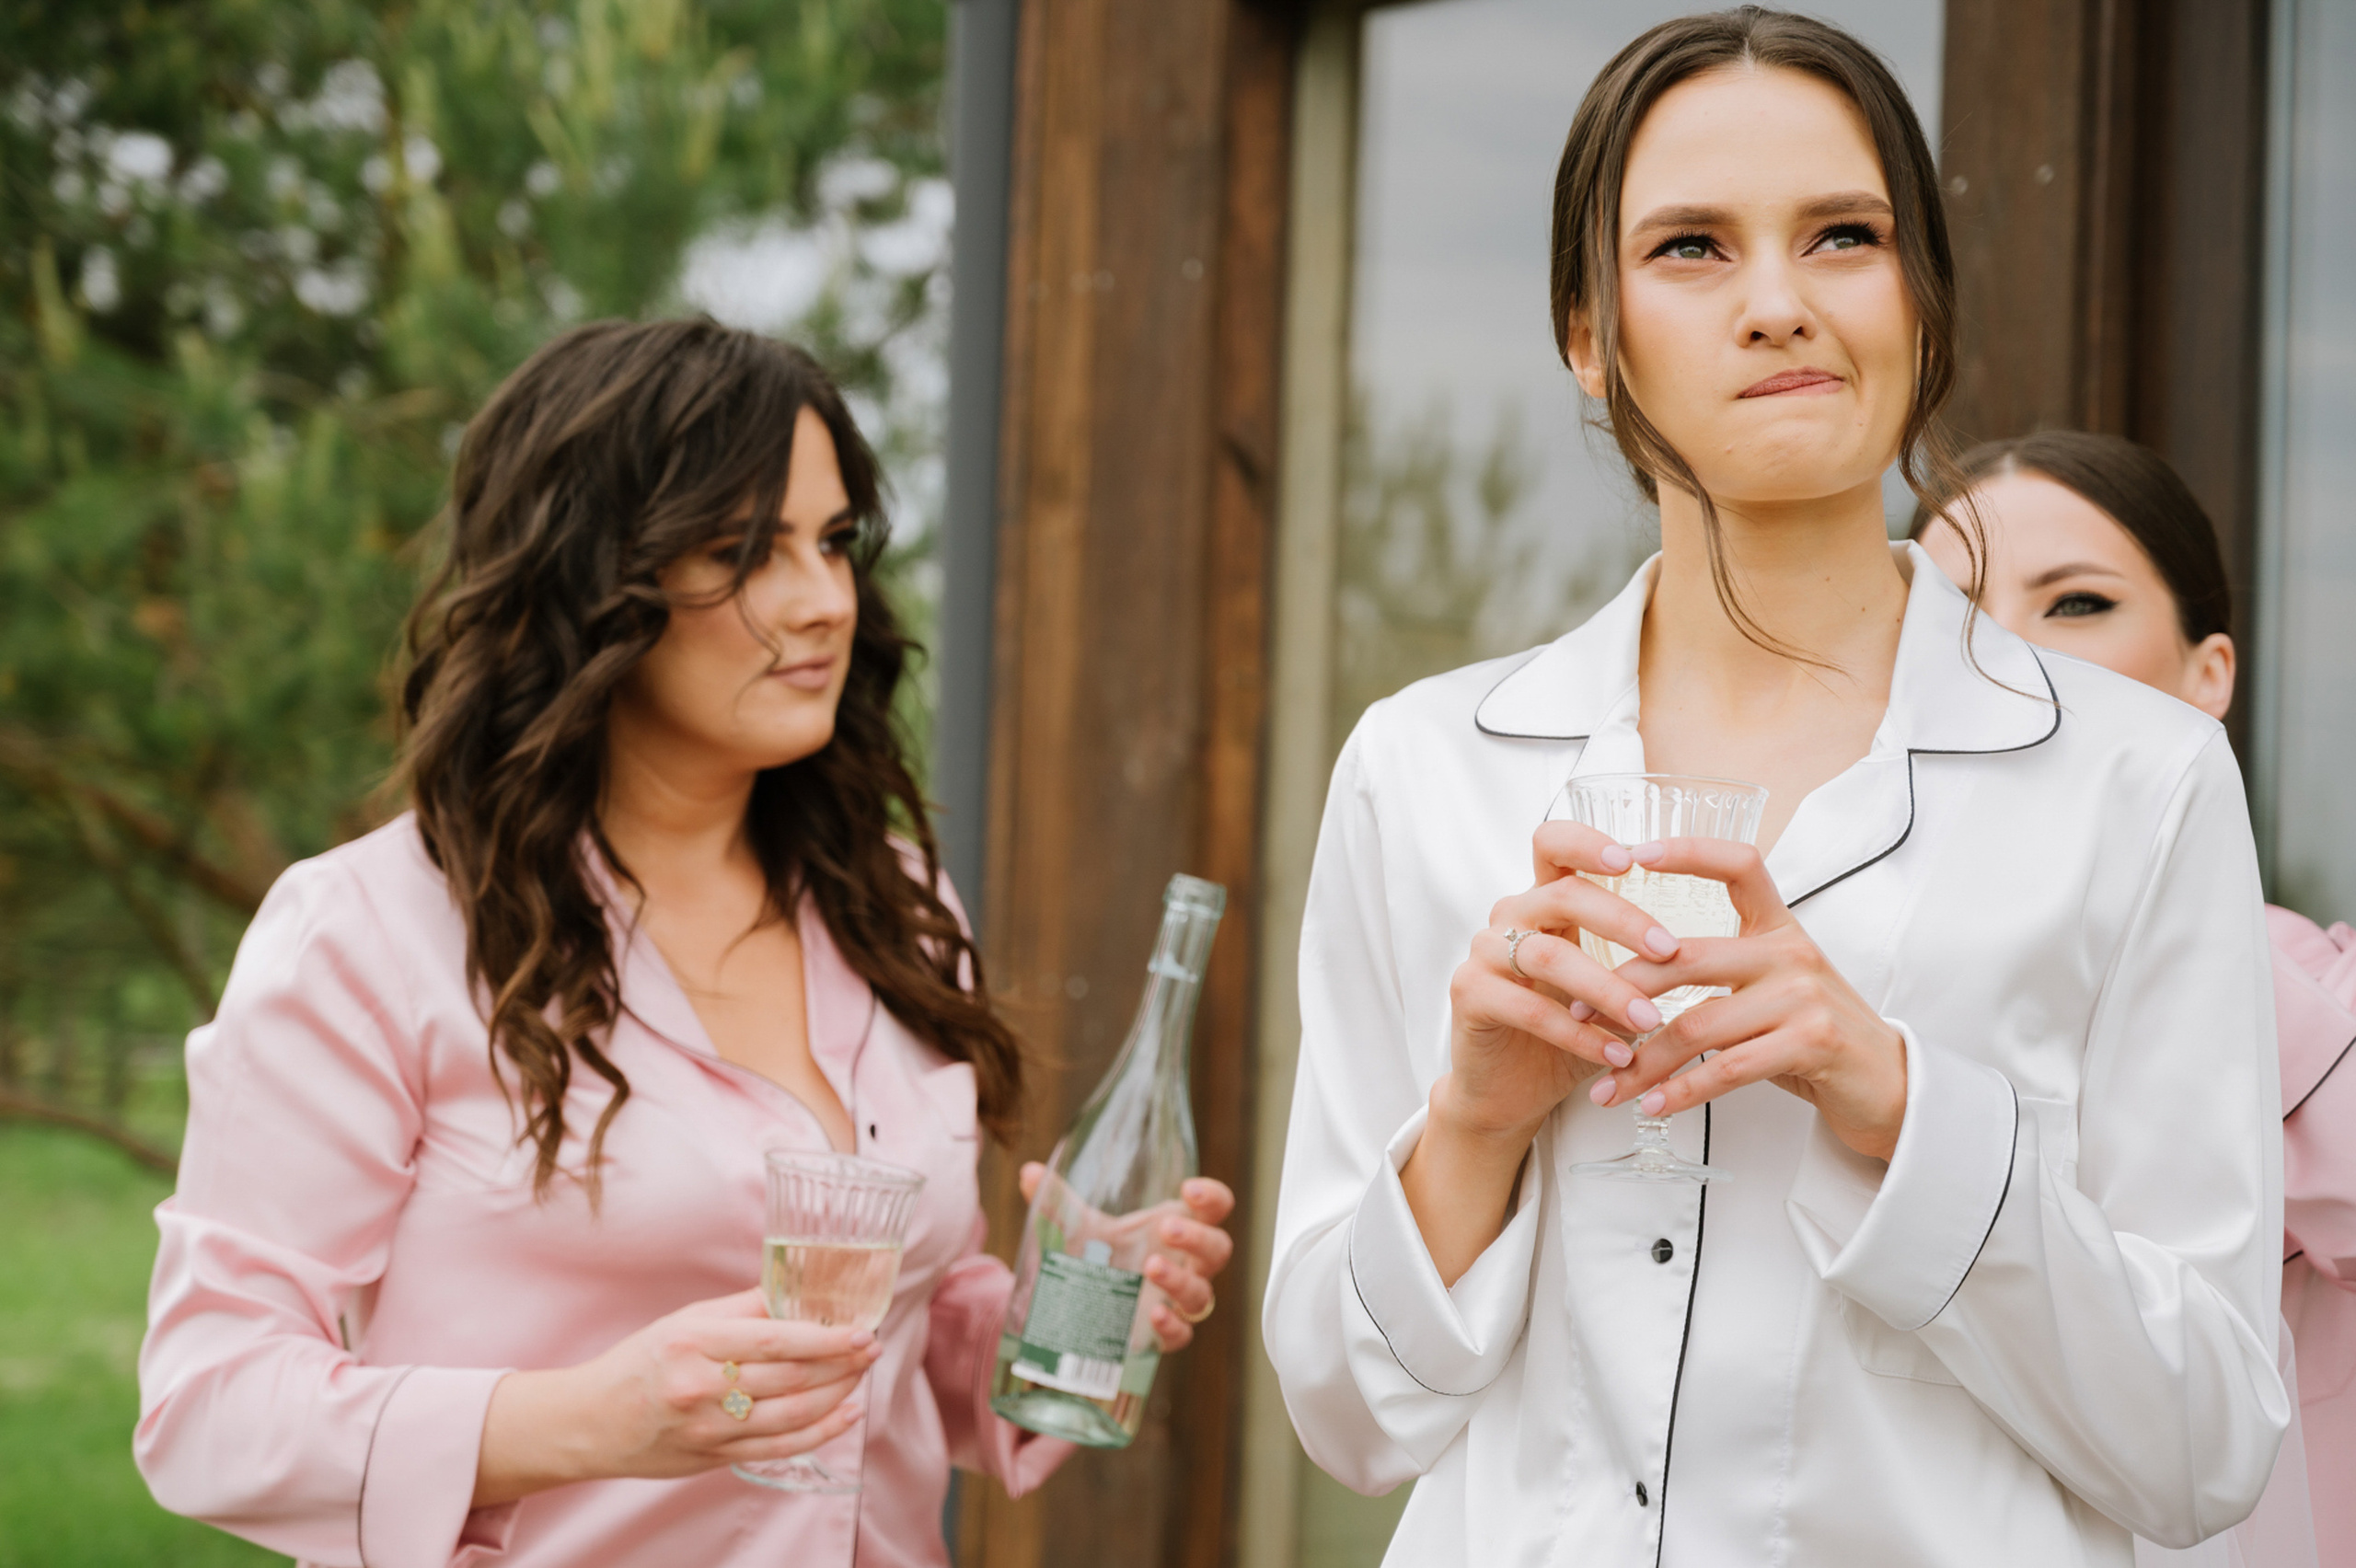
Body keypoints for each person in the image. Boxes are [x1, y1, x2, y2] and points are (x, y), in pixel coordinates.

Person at [1263, 8, 2288, 1564]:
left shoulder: (2137, 783)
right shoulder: (1427, 770)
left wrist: (1900, 1103)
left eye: (1844, 237)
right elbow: (1348, 1416)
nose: (1778, 304)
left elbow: (2209, 1440)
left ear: (1924, 306)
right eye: (1691, 246)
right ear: (1587, 334)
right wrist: (1471, 1120)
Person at [133, 319, 1236, 1568]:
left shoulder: (896, 908)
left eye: (831, 543)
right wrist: (589, 1419)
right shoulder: (371, 935)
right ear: (595, 580)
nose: (822, 601)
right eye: (743, 553)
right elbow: (207, 1406)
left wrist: (1067, 1312)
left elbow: (912, 1324)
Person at [1919, 428, 2350, 1566]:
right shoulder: (1818, 985)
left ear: (2206, 676)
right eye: (1944, 616)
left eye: (2073, 605)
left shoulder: (2304, 995)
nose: (1999, 650)